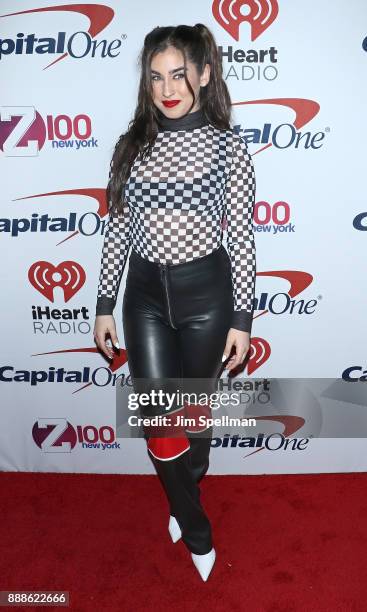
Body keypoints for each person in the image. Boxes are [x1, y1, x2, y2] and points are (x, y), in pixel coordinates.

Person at [93, 23, 256, 582]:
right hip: (143, 300)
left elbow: (241, 236)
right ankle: (197, 527)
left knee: (195, 416)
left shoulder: (229, 148)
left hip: (209, 298)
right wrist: (103, 305)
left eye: (179, 74)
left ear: (204, 74)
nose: (167, 87)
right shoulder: (131, 145)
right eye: (156, 76)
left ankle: (186, 486)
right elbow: (118, 232)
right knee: (160, 420)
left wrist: (242, 318)